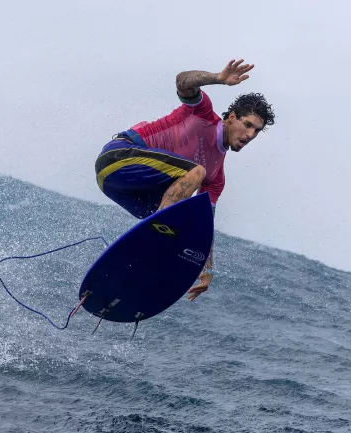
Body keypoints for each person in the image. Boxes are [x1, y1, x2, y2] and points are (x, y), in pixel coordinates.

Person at [94, 59, 275, 301]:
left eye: (256, 131)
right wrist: (218, 78)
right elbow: (183, 82)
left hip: (118, 188)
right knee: (195, 174)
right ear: (231, 117)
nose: (250, 135)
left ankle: (138, 273)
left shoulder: (217, 177)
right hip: (118, 158)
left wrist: (206, 270)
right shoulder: (203, 114)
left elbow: (204, 225)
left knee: (186, 223)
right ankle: (153, 242)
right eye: (247, 125)